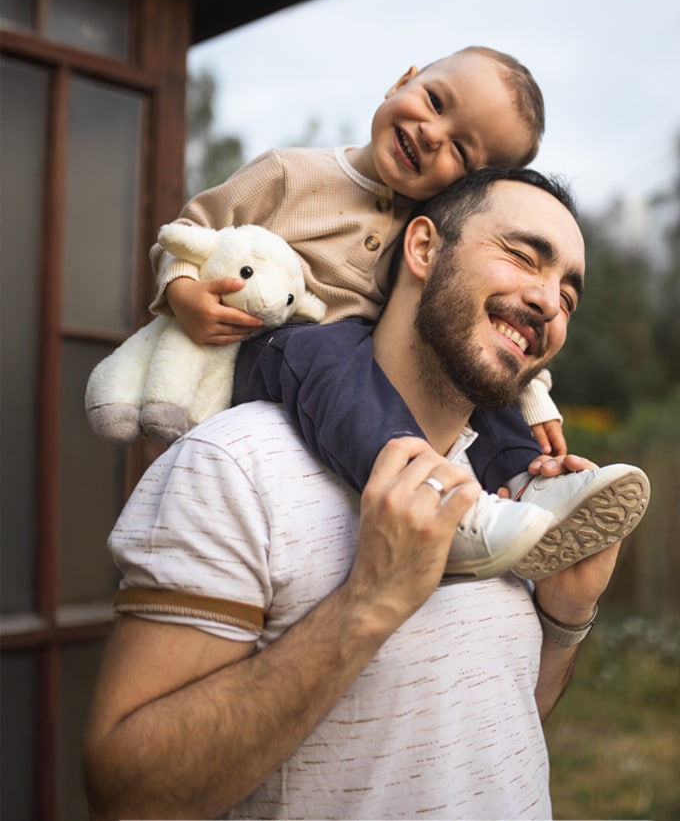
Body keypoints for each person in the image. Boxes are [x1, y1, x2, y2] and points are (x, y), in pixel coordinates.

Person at [84, 167, 650, 820]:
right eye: (523, 257)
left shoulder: (511, 493)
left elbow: (500, 724)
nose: (551, 303)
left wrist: (564, 616)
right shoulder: (233, 466)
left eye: (568, 298)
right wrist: (369, 602)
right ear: (423, 249)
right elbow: (128, 795)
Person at [146, 45, 575, 579]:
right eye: (436, 101)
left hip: (354, 365)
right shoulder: (289, 173)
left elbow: (483, 316)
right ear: (402, 81)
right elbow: (188, 234)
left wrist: (532, 396)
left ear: (467, 187)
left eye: (461, 152)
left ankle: (530, 484)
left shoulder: (430, 224)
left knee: (469, 364)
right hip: (269, 349)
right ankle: (429, 497)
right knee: (328, 352)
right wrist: (184, 291)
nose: (432, 134)